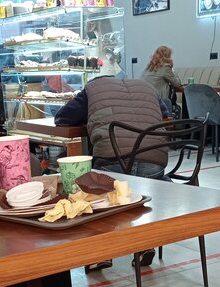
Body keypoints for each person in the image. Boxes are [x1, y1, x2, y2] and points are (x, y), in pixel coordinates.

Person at [55, 76, 169, 270]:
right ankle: (145, 244)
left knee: (97, 194)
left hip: (114, 161)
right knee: (136, 193)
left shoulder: (92, 88)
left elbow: (63, 118)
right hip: (154, 161)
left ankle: (102, 254)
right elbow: (165, 113)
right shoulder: (145, 85)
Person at [141, 46, 182, 113]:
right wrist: (172, 69)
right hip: (160, 103)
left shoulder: (149, 67)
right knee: (177, 109)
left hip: (147, 101)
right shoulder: (165, 67)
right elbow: (177, 84)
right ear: (167, 56)